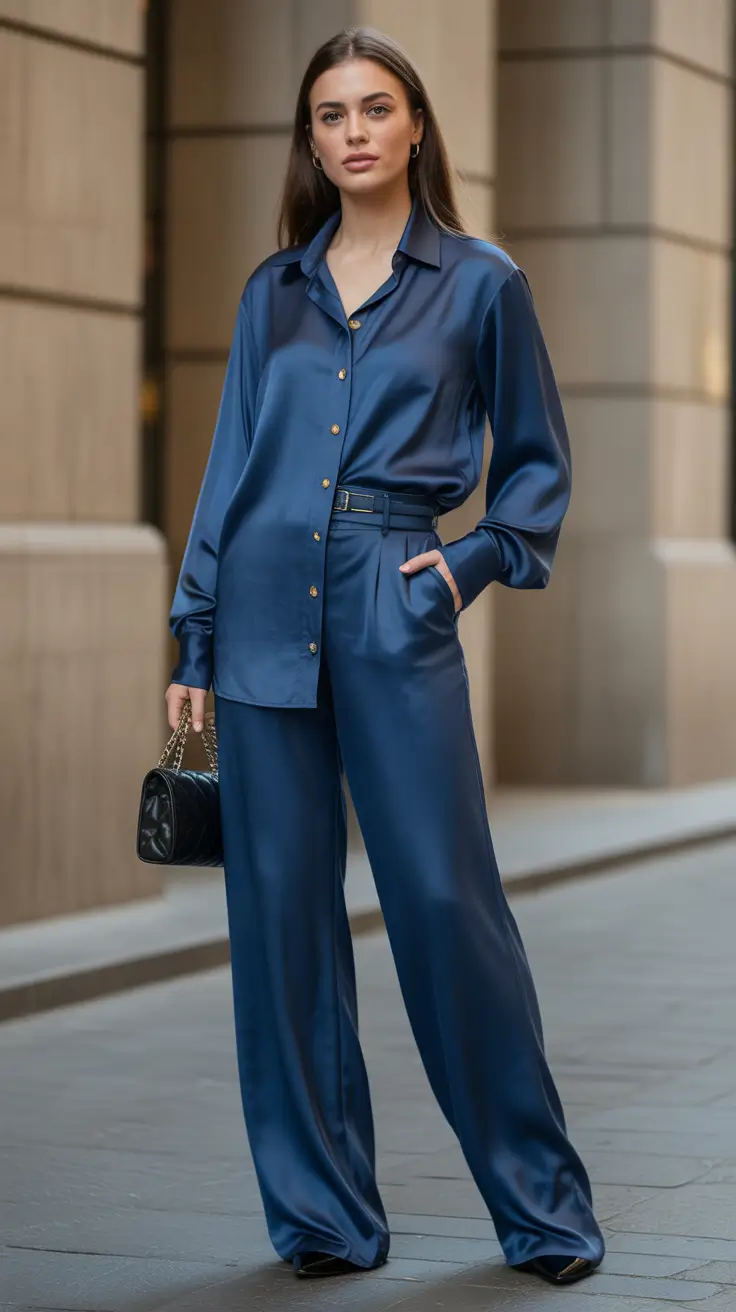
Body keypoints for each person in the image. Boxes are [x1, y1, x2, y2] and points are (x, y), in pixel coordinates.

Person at [165, 25, 605, 1288]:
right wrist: (193, 628)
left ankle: (541, 1210)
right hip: (255, 619)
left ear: (415, 127)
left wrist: (465, 567)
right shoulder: (273, 294)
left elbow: (534, 469)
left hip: (390, 599)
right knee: (282, 929)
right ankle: (322, 1216)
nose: (352, 131)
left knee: (443, 907)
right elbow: (229, 470)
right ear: (308, 141)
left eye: (375, 108)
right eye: (328, 115)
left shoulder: (481, 282)